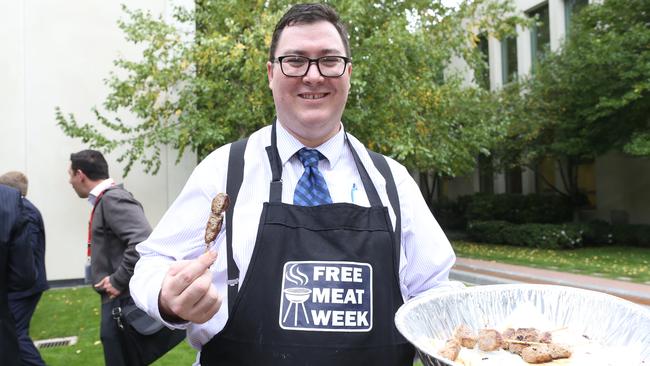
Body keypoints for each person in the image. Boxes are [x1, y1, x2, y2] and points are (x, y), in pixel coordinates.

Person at [130, 3, 460, 365]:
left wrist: (456, 346)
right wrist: (167, 298)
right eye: (296, 60)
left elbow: (435, 293)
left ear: (348, 73)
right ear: (271, 73)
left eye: (329, 60)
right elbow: (154, 262)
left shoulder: (392, 182)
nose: (313, 76)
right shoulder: (224, 170)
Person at [67, 149, 152, 366]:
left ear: (80, 174)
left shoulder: (113, 199)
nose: (69, 181)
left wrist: (118, 280)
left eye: (70, 175)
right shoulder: (105, 200)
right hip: (115, 300)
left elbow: (142, 240)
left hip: (121, 300)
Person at [0, 172, 48, 366]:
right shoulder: (23, 209)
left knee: (17, 335)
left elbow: (28, 248)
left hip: (24, 287)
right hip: (25, 284)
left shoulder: (23, 212)